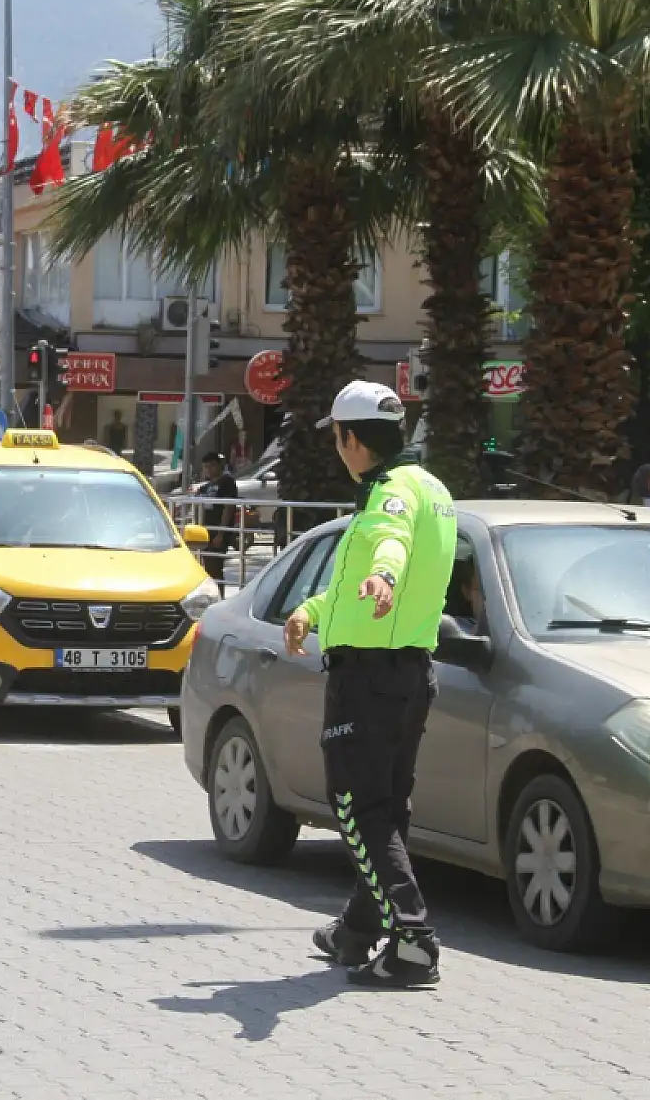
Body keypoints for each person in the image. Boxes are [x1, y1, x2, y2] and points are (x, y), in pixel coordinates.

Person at [284, 380, 456, 988]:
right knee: (386, 806)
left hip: (369, 677)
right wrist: (313, 608)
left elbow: (391, 547)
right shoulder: (433, 489)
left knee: (356, 805)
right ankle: (359, 929)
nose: (337, 449)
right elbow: (364, 580)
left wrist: (383, 575)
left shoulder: (389, 496)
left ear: (352, 438)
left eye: (337, 438)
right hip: (409, 671)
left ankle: (412, 939)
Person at [196, 451, 239, 591]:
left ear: (219, 465)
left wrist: (221, 533)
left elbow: (228, 507)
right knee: (207, 568)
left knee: (215, 568)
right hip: (204, 532)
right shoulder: (204, 487)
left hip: (218, 532)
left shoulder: (227, 481)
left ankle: (218, 596)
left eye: (212, 466)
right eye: (206, 467)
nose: (209, 469)